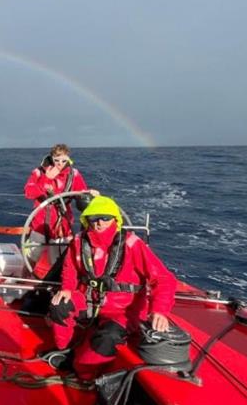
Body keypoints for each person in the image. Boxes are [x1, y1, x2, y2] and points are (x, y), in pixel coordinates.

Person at [48, 195, 177, 380]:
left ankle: (83, 372)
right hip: (88, 300)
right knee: (59, 306)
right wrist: (67, 289)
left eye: (105, 218)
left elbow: (164, 279)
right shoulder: (79, 242)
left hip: (123, 310)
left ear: (115, 219)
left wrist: (159, 311)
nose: (99, 223)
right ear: (86, 220)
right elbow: (69, 269)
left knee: (107, 338)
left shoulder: (132, 245)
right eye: (93, 218)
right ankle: (64, 351)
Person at [23, 144, 96, 276]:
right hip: (40, 222)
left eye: (64, 161)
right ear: (51, 158)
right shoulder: (39, 172)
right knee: (31, 256)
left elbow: (80, 191)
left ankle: (58, 288)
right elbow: (28, 192)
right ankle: (23, 281)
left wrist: (89, 193)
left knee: (62, 260)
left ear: (68, 159)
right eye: (57, 160)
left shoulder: (73, 174)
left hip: (62, 224)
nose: (60, 164)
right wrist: (47, 179)